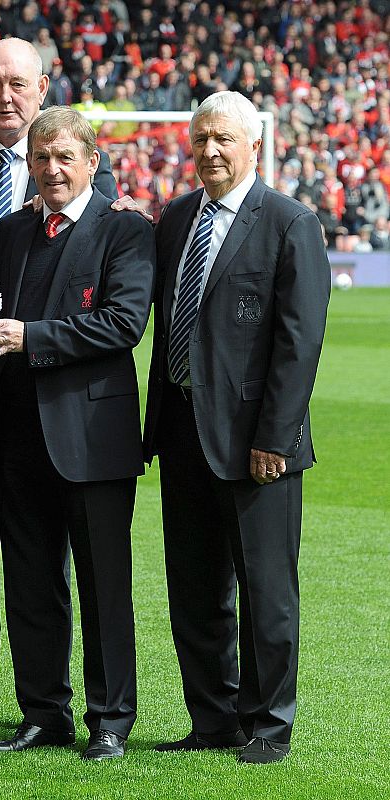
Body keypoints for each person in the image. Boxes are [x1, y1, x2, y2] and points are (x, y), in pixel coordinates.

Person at [0, 36, 119, 737]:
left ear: (44, 89)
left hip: (56, 405)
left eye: (19, 84)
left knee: (51, 566)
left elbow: (111, 289)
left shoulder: (90, 180)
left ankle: (79, 710)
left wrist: (32, 342)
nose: (6, 97)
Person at [142, 91, 330, 765]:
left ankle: (269, 726)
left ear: (254, 144)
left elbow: (298, 343)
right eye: (201, 141)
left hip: (258, 445)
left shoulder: (289, 222)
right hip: (183, 430)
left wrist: (274, 439)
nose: (211, 152)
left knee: (266, 591)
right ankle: (212, 720)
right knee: (195, 589)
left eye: (224, 139)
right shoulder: (175, 221)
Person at [0, 107, 154, 760]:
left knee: (105, 587)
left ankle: (110, 720)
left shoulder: (127, 233)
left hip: (93, 439)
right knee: (28, 585)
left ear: (91, 162)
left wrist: (33, 338)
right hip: (17, 436)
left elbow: (123, 323)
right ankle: (43, 712)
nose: (51, 169)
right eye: (40, 158)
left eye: (63, 158)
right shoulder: (11, 231)